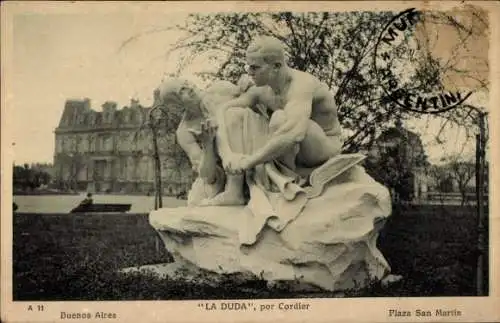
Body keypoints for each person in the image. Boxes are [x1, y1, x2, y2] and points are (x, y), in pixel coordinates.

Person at [203, 35, 344, 206]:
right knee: (236, 114)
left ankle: (286, 185)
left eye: (255, 67)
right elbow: (223, 109)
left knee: (279, 119)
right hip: (291, 151)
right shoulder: (262, 90)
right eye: (249, 66)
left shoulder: (301, 85)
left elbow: (293, 134)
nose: (249, 72)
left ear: (276, 66)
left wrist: (249, 162)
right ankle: (234, 192)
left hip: (322, 149)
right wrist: (227, 155)